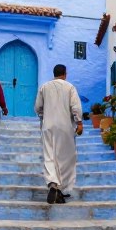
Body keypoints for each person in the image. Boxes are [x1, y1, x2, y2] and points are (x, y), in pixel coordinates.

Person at [34, 63, 83, 204]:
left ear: (54, 73)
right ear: (65, 74)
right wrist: (79, 122)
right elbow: (76, 106)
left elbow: (38, 107)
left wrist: (45, 115)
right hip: (65, 127)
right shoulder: (70, 87)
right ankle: (62, 189)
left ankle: (53, 184)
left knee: (49, 156)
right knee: (66, 158)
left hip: (48, 126)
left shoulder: (44, 87)